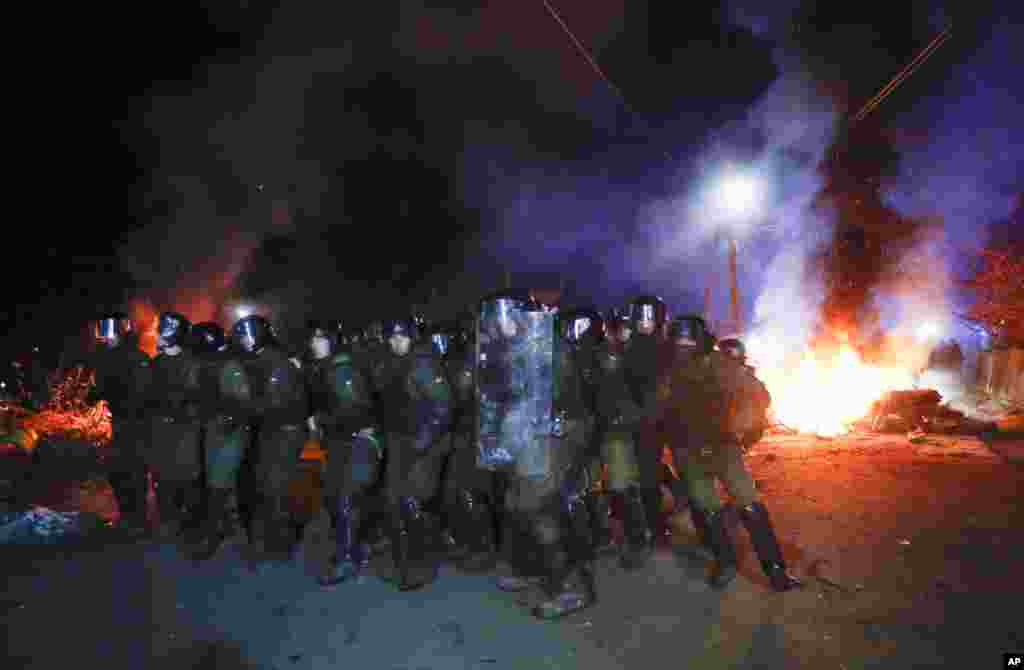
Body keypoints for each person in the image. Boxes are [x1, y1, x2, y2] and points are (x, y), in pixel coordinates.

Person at [478, 291, 596, 619]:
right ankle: (530, 567)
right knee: (516, 504)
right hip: (531, 436)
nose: (496, 322)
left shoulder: (545, 345)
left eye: (500, 314)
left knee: (538, 508)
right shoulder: (514, 346)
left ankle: (571, 588)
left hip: (556, 436)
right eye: (492, 315)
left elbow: (551, 397)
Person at [660, 321, 801, 591]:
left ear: (700, 341)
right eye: (679, 342)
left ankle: (776, 572)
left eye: (689, 342)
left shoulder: (718, 364)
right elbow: (656, 404)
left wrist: (737, 427)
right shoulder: (666, 368)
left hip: (721, 447)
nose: (684, 348)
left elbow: (758, 394)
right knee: (707, 508)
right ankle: (725, 561)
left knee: (748, 504)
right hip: (687, 450)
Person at [369, 316, 453, 591]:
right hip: (399, 441)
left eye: (401, 336)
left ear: (411, 336)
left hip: (424, 443)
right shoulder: (389, 362)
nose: (396, 341)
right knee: (393, 502)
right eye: (392, 336)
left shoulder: (424, 363)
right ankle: (405, 562)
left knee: (413, 502)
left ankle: (423, 563)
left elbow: (442, 408)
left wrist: (422, 443)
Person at [304, 322, 377, 587]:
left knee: (346, 500)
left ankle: (349, 558)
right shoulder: (323, 368)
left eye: (320, 339)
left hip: (356, 442)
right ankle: (353, 548)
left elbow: (355, 412)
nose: (314, 344)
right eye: (313, 339)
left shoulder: (342, 369)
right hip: (335, 443)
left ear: (332, 342)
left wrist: (320, 421)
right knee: (335, 498)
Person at [232, 314, 308, 563]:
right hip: (271, 430)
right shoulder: (258, 359)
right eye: (241, 337)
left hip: (286, 431)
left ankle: (284, 542)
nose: (244, 341)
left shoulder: (277, 362)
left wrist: (242, 408)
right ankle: (274, 536)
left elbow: (274, 402)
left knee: (278, 485)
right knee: (267, 483)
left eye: (247, 336)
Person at [189, 321, 253, 560]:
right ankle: (229, 530)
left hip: (229, 431)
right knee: (219, 483)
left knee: (219, 483)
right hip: (214, 428)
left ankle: (217, 535)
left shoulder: (229, 365)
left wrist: (228, 418)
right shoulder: (207, 364)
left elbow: (242, 401)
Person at [88, 312, 153, 537]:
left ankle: (138, 521)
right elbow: (102, 388)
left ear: (120, 332)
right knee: (118, 472)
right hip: (122, 423)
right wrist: (96, 393)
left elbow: (141, 393)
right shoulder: (109, 358)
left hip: (137, 423)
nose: (104, 337)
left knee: (133, 472)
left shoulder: (138, 359)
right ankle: (128, 517)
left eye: (108, 330)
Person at [146, 311, 204, 542]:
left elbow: (196, 399)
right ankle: (169, 522)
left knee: (187, 478)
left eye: (160, 330)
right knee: (162, 477)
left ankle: (191, 527)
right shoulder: (156, 364)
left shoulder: (192, 363)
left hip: (184, 430)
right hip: (161, 431)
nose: (156, 334)